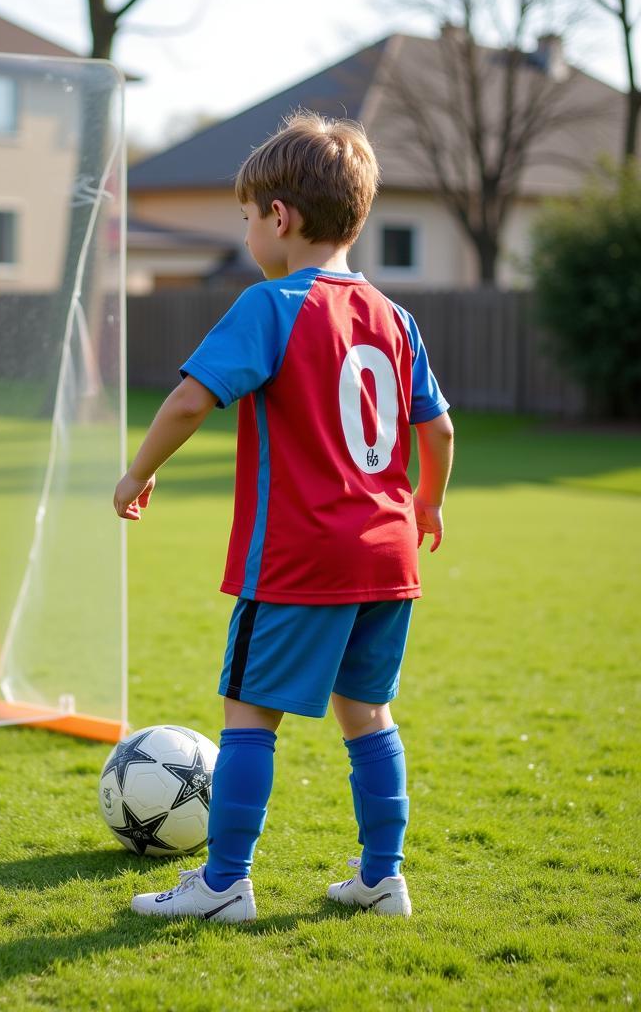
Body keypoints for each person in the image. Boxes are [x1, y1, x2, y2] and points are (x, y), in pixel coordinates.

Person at [113, 110, 454, 923]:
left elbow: (191, 400)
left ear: (280, 217)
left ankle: (225, 883)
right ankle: (383, 878)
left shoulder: (272, 306)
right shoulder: (394, 318)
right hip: (388, 557)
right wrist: (429, 498)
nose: (247, 234)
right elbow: (436, 427)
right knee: (367, 713)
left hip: (301, 558)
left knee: (247, 713)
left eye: (244, 218)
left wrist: (137, 471)